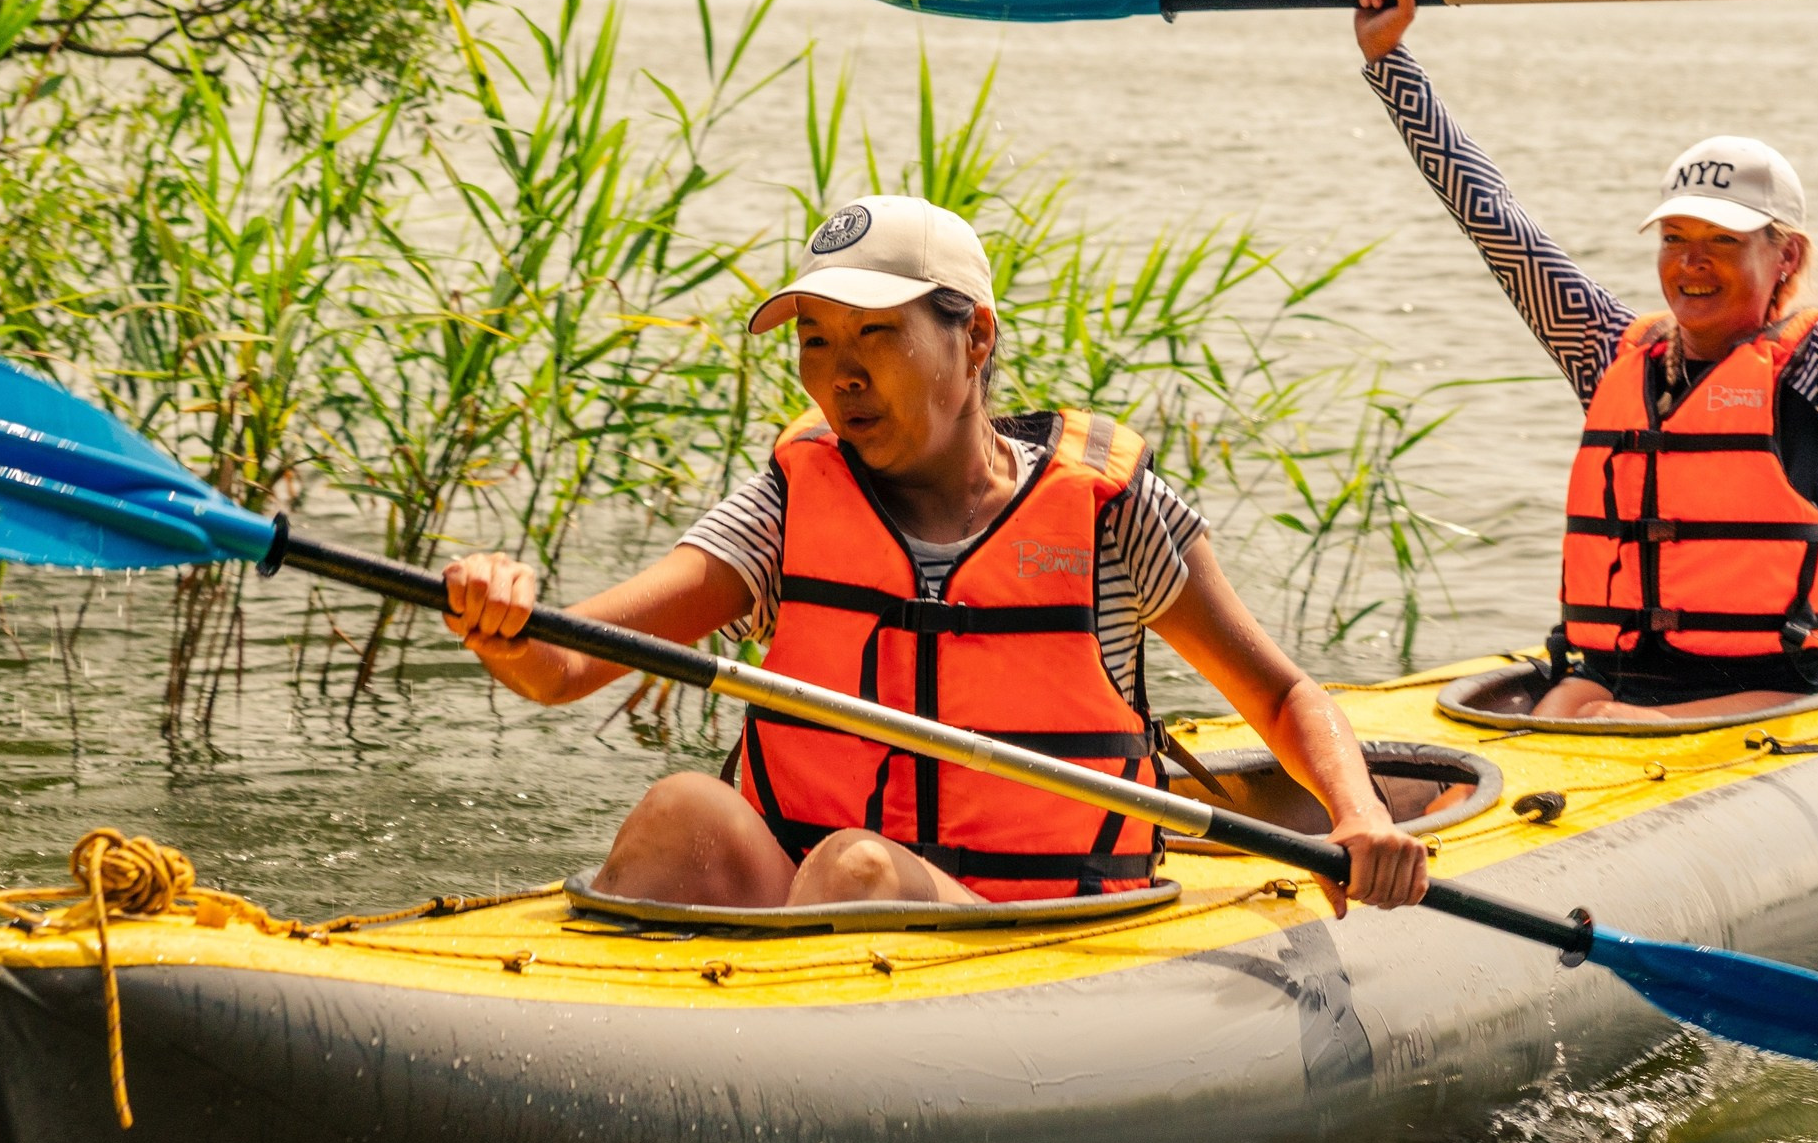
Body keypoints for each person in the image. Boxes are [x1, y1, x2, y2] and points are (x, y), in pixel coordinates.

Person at [440, 195, 1429, 913]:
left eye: (877, 334)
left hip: (1041, 923)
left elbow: (1281, 696)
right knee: (682, 811)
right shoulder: (787, 505)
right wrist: (499, 614)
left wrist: (1355, 815)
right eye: (814, 341)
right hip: (817, 912)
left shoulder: (1111, 514)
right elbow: (563, 665)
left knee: (857, 868)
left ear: (976, 338)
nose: (840, 375)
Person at [1349, 0, 1818, 720]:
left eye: (1724, 241)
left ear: (1786, 257)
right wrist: (1390, 62)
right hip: (1613, 679)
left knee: (1602, 721)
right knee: (1562, 714)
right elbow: (1494, 221)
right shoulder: (1611, 352)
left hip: (1766, 692)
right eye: (1674, 238)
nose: (1691, 262)